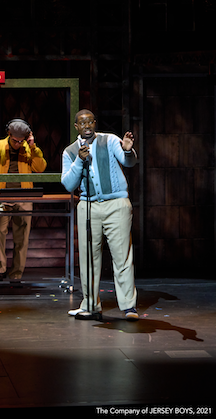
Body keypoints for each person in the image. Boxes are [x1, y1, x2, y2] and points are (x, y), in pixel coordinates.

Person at [61, 109, 139, 321]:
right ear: (76, 126)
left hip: (116, 204)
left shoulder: (110, 140)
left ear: (94, 123)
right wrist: (79, 161)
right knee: (88, 258)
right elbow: (68, 184)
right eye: (82, 123)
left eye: (90, 122)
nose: (86, 126)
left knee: (122, 256)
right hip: (88, 206)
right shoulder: (70, 151)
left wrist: (129, 151)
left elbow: (128, 162)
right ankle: (90, 305)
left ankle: (128, 306)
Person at [0, 118, 47, 282]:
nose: (18, 144)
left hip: (24, 196)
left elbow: (40, 168)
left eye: (21, 141)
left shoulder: (28, 148)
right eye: (15, 140)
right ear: (9, 134)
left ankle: (16, 274)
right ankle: (0, 269)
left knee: (22, 236)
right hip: (2, 195)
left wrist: (33, 146)